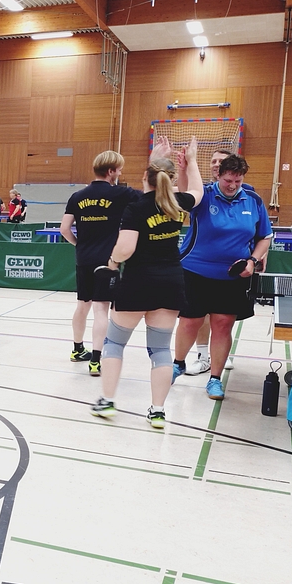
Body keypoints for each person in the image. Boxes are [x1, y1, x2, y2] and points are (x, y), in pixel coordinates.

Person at [91, 138, 205, 428]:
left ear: (146, 176)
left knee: (114, 343)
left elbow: (125, 248)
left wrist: (112, 262)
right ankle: (157, 411)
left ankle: (107, 401)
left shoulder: (136, 208)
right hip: (170, 283)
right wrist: (191, 161)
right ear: (170, 179)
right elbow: (197, 191)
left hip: (137, 284)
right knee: (161, 351)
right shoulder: (178, 204)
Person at [172, 154, 273, 401]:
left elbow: (265, 237)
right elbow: (184, 195)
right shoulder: (204, 194)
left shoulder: (253, 200)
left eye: (238, 181)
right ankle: (178, 364)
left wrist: (253, 260)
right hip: (195, 271)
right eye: (228, 180)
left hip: (232, 276)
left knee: (222, 325)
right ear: (218, 175)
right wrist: (184, 169)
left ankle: (215, 379)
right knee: (190, 322)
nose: (232, 185)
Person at [62, 149, 148, 376]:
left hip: (83, 258)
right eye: (119, 169)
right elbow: (149, 196)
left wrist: (78, 245)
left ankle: (77, 349)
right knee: (101, 309)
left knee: (82, 305)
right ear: (111, 171)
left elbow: (64, 229)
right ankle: (95, 360)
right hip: (107, 261)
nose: (120, 173)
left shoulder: (77, 196)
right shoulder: (121, 194)